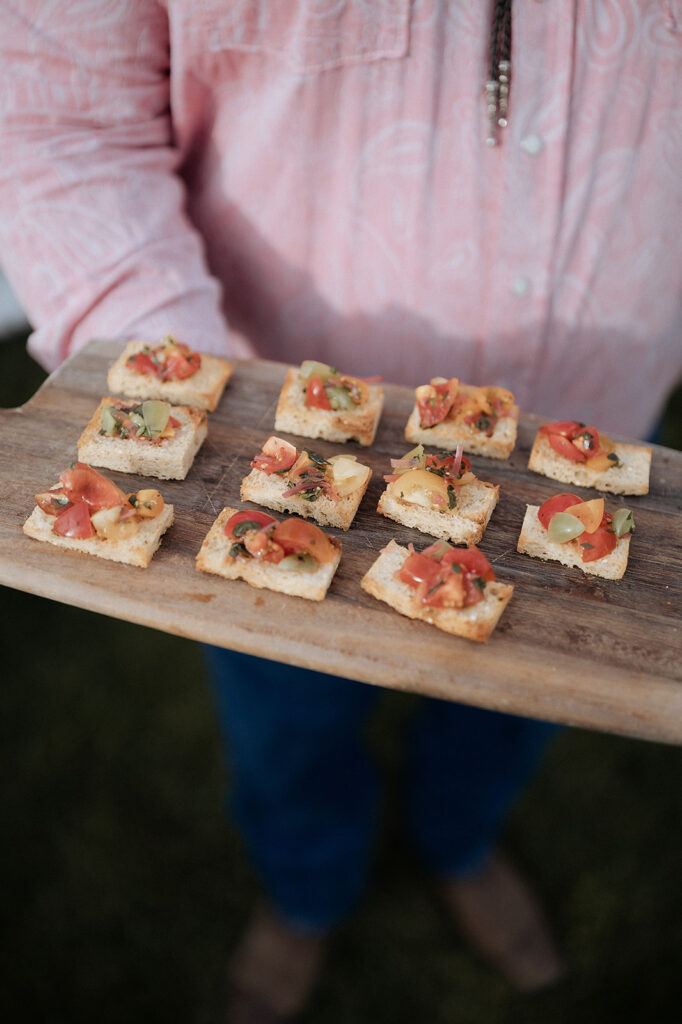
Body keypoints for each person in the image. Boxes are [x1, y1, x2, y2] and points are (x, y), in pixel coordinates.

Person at [1, 2, 680, 1021]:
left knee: (512, 708)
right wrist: (177, 389)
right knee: (288, 728)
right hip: (269, 431)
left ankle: (458, 842)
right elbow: (58, 115)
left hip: (594, 424)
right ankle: (306, 890)